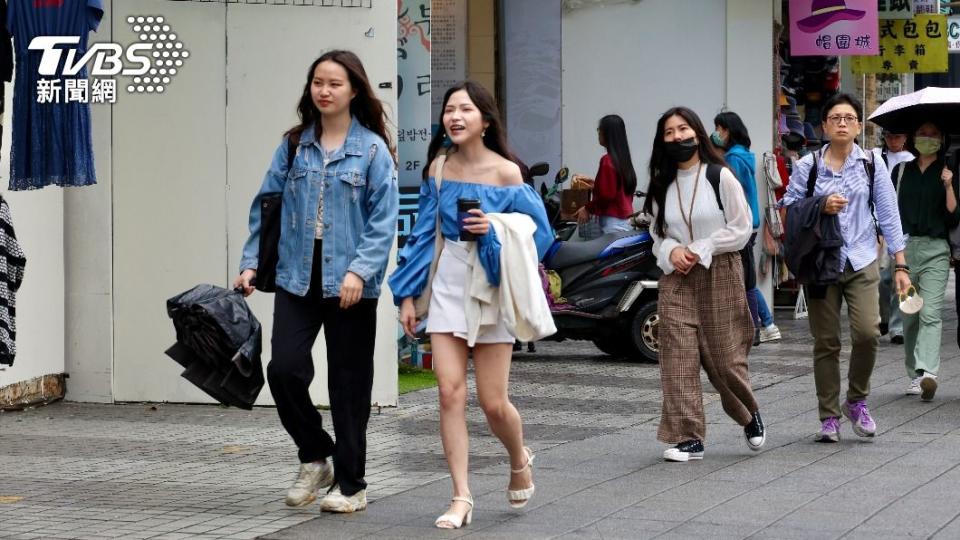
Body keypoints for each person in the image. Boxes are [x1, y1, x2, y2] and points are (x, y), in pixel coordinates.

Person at [233, 50, 398, 513]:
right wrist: (251, 264)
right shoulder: (294, 145)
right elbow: (266, 206)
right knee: (283, 369)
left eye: (334, 84)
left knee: (348, 387)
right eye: (317, 82)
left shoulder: (371, 150)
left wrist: (358, 272)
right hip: (295, 275)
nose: (324, 91)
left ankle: (351, 485)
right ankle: (314, 454)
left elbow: (383, 222)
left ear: (354, 91)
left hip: (350, 283)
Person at [388, 81, 554, 529]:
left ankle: (519, 456)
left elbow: (541, 238)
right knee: (449, 392)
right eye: (449, 110)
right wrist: (407, 294)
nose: (454, 117)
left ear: (485, 119)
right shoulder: (439, 170)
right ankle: (461, 495)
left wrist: (493, 230)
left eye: (464, 109)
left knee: (493, 401)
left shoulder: (508, 174)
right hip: (447, 281)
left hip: (493, 285)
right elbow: (423, 235)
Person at [782, 93, 911, 443]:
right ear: (824, 126)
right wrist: (820, 205)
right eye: (835, 117)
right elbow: (789, 208)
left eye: (849, 118)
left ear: (858, 126)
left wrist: (900, 264)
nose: (842, 123)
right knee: (826, 342)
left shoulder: (871, 164)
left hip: (861, 258)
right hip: (821, 261)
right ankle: (829, 416)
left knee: (868, 332)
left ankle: (856, 400)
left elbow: (888, 214)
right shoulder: (808, 166)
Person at [642, 106, 766, 463]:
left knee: (725, 358)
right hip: (677, 277)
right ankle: (688, 437)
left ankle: (748, 412)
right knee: (677, 358)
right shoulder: (661, 184)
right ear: (661, 141)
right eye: (669, 132)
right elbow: (655, 232)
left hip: (720, 270)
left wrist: (702, 247)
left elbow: (742, 228)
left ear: (697, 134)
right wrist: (671, 250)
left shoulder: (720, 176)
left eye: (683, 129)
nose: (677, 137)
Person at [891, 122, 958, 401]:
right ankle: (914, 374)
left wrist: (949, 185)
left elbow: (954, 215)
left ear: (941, 139)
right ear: (913, 137)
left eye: (932, 134)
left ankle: (927, 372)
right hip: (906, 251)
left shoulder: (949, 170)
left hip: (936, 250)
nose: (926, 138)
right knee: (910, 315)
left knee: (930, 312)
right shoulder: (901, 170)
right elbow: (890, 211)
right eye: (922, 133)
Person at [713, 111, 782, 345]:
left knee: (744, 278)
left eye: (720, 129)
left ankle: (764, 324)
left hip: (740, 224)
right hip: (750, 223)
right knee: (745, 276)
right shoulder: (744, 156)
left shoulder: (732, 159)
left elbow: (732, 196)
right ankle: (762, 324)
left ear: (728, 131)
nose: (718, 133)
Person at [873, 129, 915, 344]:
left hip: (901, 226)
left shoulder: (911, 161)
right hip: (879, 225)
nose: (893, 140)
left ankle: (897, 326)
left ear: (905, 137)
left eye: (897, 135)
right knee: (881, 277)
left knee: (898, 275)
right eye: (889, 136)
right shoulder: (875, 157)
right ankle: (884, 317)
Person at [575, 114, 637, 234]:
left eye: (600, 130)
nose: (598, 133)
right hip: (625, 221)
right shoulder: (623, 159)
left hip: (612, 223)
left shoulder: (607, 160)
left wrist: (587, 208)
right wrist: (595, 184)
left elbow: (607, 195)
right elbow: (617, 190)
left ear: (608, 133)